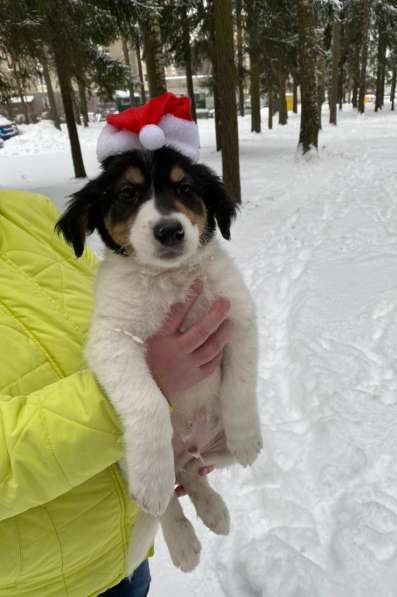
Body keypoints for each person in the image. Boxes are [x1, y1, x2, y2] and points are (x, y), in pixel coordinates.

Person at [0, 189, 232, 596]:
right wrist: (140, 392)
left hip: (123, 557)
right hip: (44, 585)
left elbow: (114, 310)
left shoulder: (25, 211)